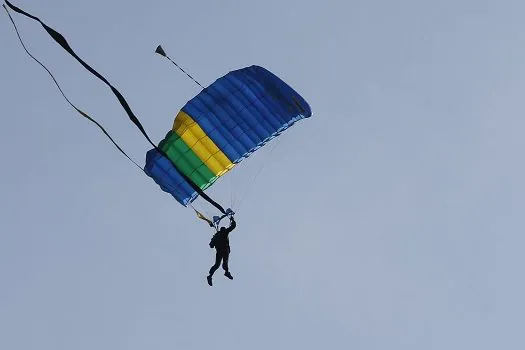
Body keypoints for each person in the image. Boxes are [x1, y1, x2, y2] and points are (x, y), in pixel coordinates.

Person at [207, 216, 236, 286]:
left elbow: (211, 245)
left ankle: (210, 275)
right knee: (224, 262)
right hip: (224, 250)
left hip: (219, 251)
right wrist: (232, 220)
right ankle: (226, 272)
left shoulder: (216, 236)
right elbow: (233, 226)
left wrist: (214, 241)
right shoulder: (224, 232)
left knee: (217, 265)